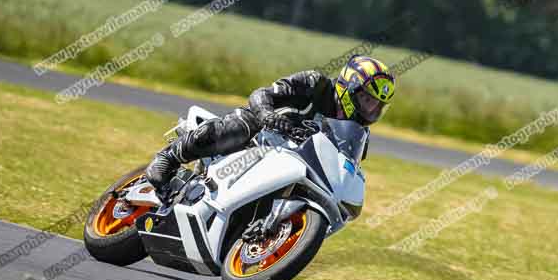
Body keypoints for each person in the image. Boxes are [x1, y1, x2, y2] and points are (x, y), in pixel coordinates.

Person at [146, 55, 396, 192]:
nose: (371, 108)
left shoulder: (357, 134)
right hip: (262, 134)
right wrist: (267, 114)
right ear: (348, 87)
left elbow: (344, 170)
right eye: (366, 99)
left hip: (292, 164)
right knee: (242, 125)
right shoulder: (315, 83)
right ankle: (169, 157)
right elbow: (261, 94)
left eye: (377, 105)